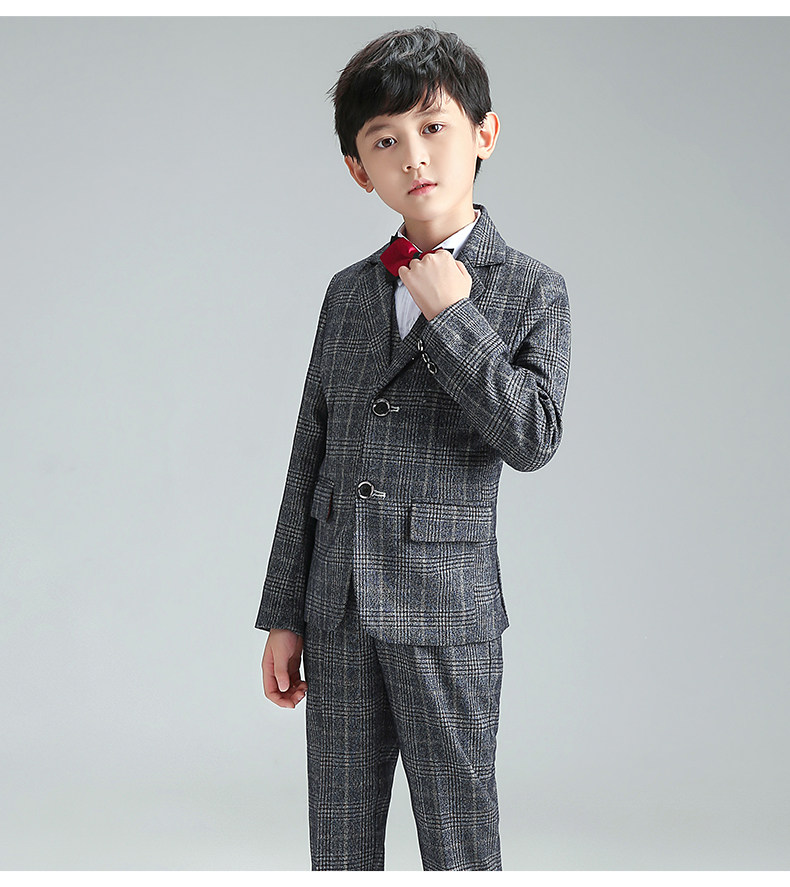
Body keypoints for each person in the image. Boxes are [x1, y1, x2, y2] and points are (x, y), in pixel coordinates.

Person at [255, 25, 572, 871]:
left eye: (434, 127)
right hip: (337, 609)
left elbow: (534, 435)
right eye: (385, 140)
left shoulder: (532, 289)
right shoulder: (348, 292)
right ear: (359, 170)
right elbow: (310, 452)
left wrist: (453, 317)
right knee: (340, 841)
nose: (414, 156)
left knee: (458, 836)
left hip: (445, 610)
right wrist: (285, 611)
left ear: (484, 134)